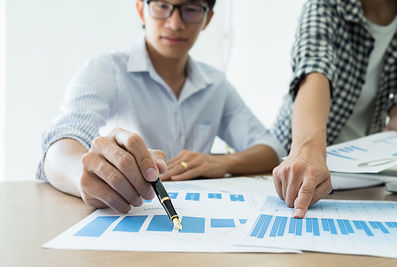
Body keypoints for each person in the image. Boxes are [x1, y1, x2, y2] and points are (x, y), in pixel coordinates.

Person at [37, 0, 285, 213]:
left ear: (207, 18)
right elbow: (60, 142)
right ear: (141, 9)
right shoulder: (106, 70)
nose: (175, 23)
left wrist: (223, 163)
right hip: (134, 215)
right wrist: (84, 176)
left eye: (190, 9)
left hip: (197, 217)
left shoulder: (216, 84)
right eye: (162, 6)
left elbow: (272, 149)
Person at [272, 0, 397, 218]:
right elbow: (314, 69)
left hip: (360, 172)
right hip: (297, 156)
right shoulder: (328, 5)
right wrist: (308, 150)